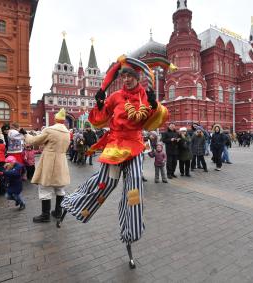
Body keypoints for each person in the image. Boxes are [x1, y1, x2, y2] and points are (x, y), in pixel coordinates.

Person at [60, 55, 168, 268]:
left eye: (130, 76)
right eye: (124, 76)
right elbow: (98, 120)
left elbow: (152, 122)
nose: (126, 79)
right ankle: (73, 203)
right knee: (106, 183)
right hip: (115, 146)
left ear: (138, 78)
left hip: (135, 146)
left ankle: (130, 233)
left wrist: (155, 105)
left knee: (135, 185)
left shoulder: (146, 96)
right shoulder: (116, 96)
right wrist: (100, 102)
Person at [22, 108, 71, 223]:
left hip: (50, 160)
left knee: (45, 187)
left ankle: (45, 215)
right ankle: (58, 212)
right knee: (60, 187)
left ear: (55, 119)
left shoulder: (50, 130)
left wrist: (25, 134)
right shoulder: (67, 132)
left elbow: (34, 141)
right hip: (62, 160)